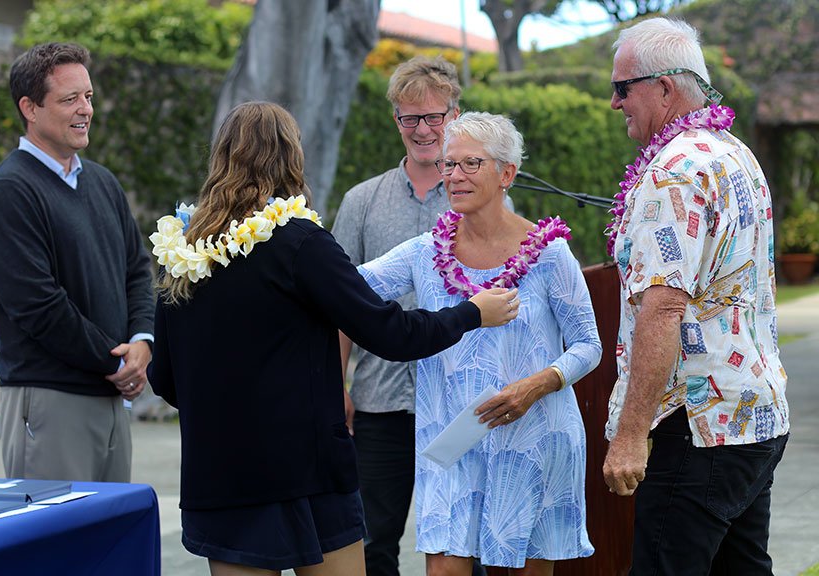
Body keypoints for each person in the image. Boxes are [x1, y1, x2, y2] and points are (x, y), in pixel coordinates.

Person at [146, 101, 519, 576]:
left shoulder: (182, 250)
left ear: (221, 157)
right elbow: (389, 331)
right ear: (291, 157)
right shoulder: (299, 243)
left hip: (221, 475)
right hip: (305, 472)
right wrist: (470, 313)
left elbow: (164, 376)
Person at [355, 111, 602, 576]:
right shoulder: (424, 253)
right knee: (444, 570)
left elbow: (589, 345)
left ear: (507, 173)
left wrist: (538, 383)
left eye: (471, 164)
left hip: (533, 439)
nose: (454, 176)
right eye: (448, 165)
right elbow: (347, 290)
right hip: (453, 442)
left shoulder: (549, 253)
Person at [601, 18, 790, 575]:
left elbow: (662, 305)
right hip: (754, 415)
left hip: (698, 424)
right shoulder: (735, 153)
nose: (615, 103)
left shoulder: (672, 173)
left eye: (622, 88)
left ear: (664, 87)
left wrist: (631, 436)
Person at [0, 42, 154, 482]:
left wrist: (143, 341)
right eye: (69, 99)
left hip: (112, 397)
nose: (85, 110)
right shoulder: (10, 191)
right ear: (29, 108)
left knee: (107, 544)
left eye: (88, 97)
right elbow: (38, 306)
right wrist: (116, 365)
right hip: (49, 401)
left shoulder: (102, 182)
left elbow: (137, 270)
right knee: (59, 547)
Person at [331, 55, 462, 576]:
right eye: (412, 118)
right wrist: (335, 385)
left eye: (435, 117)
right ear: (396, 122)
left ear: (456, 115)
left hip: (459, 399)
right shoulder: (361, 201)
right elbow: (337, 305)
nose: (424, 129)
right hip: (380, 404)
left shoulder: (481, 195)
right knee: (371, 542)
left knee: (459, 539)